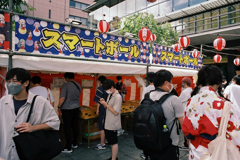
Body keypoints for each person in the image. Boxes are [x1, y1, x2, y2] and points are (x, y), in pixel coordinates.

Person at [0, 68, 60, 160]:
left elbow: (55, 122)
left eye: (15, 81)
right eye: (8, 81)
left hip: (28, 152)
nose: (10, 84)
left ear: (26, 83)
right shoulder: (3, 101)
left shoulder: (40, 102)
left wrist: (33, 128)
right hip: (6, 152)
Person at [182, 65, 240, 160]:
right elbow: (236, 135)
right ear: (219, 82)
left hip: (195, 152)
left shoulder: (191, 101)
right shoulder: (224, 104)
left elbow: (187, 127)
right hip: (217, 153)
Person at [148, 69, 184, 159]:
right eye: (171, 82)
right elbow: (183, 124)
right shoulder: (174, 99)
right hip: (169, 143)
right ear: (167, 83)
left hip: (151, 140)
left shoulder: (147, 96)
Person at [99, 79, 122, 160]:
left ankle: (114, 158)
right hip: (107, 121)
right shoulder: (110, 95)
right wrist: (104, 102)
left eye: (107, 89)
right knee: (111, 142)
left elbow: (116, 112)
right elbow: (108, 107)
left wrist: (106, 105)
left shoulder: (118, 97)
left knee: (114, 142)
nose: (106, 91)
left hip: (113, 123)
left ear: (112, 87)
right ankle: (113, 157)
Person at [58, 72, 81, 153]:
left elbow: (62, 98)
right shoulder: (78, 85)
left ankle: (68, 147)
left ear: (66, 78)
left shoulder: (66, 85)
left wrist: (59, 107)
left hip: (67, 109)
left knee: (67, 127)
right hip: (76, 108)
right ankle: (75, 143)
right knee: (75, 126)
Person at [178, 77, 193, 150]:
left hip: (184, 111)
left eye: (182, 83)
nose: (182, 84)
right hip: (190, 111)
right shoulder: (191, 90)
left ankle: (185, 144)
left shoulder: (184, 92)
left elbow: (179, 100)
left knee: (184, 128)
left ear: (185, 83)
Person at [94, 76, 108, 150]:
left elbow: (99, 100)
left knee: (102, 127)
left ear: (100, 81)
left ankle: (102, 144)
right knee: (107, 125)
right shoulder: (109, 88)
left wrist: (97, 109)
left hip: (103, 109)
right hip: (109, 109)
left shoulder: (100, 89)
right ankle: (106, 140)